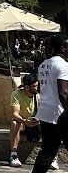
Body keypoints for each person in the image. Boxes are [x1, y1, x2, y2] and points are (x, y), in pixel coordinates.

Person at [8, 74, 58, 169]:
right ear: (27, 87)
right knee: (15, 122)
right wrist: (24, 121)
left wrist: (39, 120)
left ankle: (52, 156)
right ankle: (13, 155)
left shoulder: (40, 95)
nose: (37, 88)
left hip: (36, 122)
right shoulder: (16, 94)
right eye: (35, 86)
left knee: (49, 124)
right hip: (23, 123)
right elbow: (15, 113)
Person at [34, 35, 68, 173]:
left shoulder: (43, 65)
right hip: (60, 114)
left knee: (47, 151)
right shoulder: (63, 65)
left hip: (45, 112)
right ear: (62, 48)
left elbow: (41, 89)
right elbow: (63, 92)